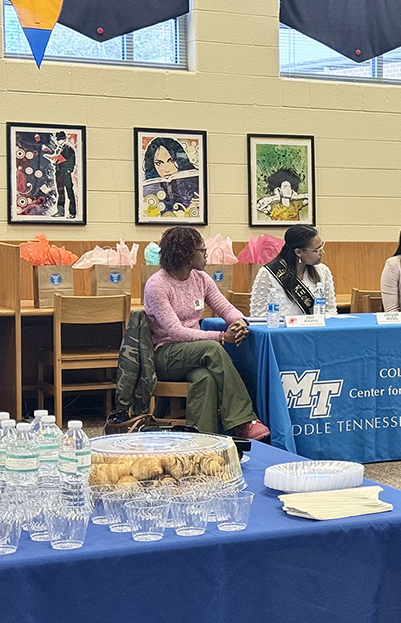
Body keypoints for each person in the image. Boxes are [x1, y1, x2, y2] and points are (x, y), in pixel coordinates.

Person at [142, 226, 269, 440]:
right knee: (212, 347)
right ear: (186, 254)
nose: (206, 255)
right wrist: (220, 337)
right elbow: (176, 331)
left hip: (193, 355)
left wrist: (239, 322)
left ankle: (204, 441)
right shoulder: (157, 285)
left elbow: (225, 307)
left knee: (205, 379)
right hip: (165, 355)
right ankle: (245, 420)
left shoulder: (200, 278)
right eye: (202, 250)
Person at [249, 224, 336, 317]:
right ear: (298, 252)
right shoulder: (269, 273)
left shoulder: (322, 271)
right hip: (282, 329)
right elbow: (257, 314)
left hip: (315, 329)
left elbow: (330, 310)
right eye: (316, 250)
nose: (322, 253)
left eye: (321, 247)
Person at [141, 136, 200, 218]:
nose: (166, 169)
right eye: (159, 163)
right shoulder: (149, 188)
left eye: (171, 161)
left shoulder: (196, 180)